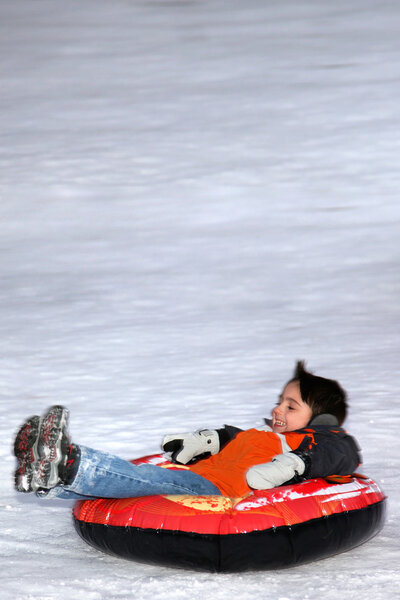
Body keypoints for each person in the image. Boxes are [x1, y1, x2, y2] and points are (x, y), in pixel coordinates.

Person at [13, 361, 361, 501]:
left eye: (290, 406)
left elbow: (340, 454)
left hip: (220, 491)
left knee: (143, 479)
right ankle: (48, 476)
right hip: (202, 476)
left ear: (320, 420)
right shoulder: (266, 435)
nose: (277, 410)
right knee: (141, 483)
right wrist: (203, 441)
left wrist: (296, 464)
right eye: (279, 401)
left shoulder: (320, 441)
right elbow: (231, 436)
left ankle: (72, 462)